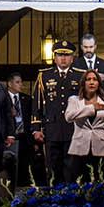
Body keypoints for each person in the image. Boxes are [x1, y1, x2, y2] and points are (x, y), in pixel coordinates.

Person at [33, 41, 82, 184]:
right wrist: (36, 128)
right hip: (51, 129)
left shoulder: (80, 76)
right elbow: (36, 104)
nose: (63, 58)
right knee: (53, 169)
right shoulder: (44, 76)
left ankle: (71, 201)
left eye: (67, 55)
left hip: (73, 130)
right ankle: (54, 202)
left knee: (72, 169)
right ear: (55, 57)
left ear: (72, 58)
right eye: (60, 55)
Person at [64, 69, 104, 181]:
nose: (92, 82)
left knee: (100, 186)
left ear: (99, 83)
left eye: (95, 79)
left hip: (101, 149)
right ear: (83, 83)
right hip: (79, 149)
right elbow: (69, 117)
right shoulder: (74, 100)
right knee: (79, 186)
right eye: (88, 79)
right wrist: (92, 108)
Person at [0, 70, 38, 193]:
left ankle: (24, 194)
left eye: (21, 82)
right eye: (18, 82)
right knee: (11, 168)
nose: (21, 85)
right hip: (9, 138)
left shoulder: (27, 99)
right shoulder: (2, 98)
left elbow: (31, 120)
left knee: (25, 168)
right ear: (9, 84)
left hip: (24, 138)